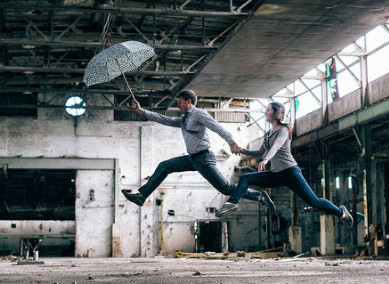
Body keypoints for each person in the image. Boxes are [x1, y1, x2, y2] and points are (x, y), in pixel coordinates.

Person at [121, 90, 275, 211]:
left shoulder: (199, 114)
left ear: (188, 102)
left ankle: (259, 196)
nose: (178, 105)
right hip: (193, 159)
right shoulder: (184, 118)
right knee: (165, 166)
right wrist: (140, 110)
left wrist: (232, 142)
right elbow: (165, 119)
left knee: (226, 188)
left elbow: (217, 127)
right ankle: (142, 196)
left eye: (179, 103)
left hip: (204, 158)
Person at [215, 102, 353, 227]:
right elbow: (259, 153)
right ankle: (232, 203)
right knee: (245, 178)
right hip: (276, 174)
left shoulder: (283, 130)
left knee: (314, 202)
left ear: (276, 114)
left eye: (268, 110)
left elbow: (275, 147)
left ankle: (342, 213)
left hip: (290, 172)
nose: (265, 113)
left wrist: (265, 160)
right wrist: (242, 150)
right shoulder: (268, 134)